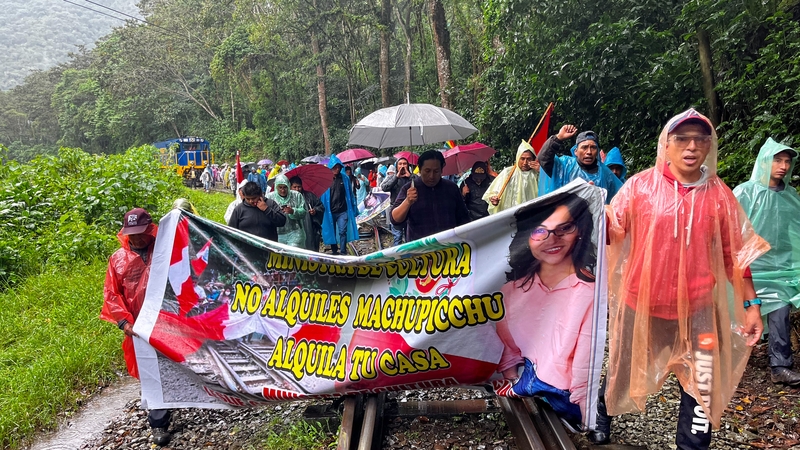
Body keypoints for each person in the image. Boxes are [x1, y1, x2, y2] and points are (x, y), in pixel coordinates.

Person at [600, 109, 768, 449]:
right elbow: (612, 231)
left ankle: (693, 445)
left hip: (699, 312)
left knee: (703, 382)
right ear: (666, 143)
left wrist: (752, 305)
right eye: (682, 139)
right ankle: (600, 416)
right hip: (641, 306)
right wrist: (591, 210)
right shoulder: (640, 187)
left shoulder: (719, 195)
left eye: (700, 139)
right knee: (623, 368)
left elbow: (736, 257)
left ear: (709, 145)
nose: (691, 146)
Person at [496, 193, 597, 427]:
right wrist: (512, 379)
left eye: (565, 228)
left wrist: (584, 410)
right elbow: (507, 352)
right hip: (522, 382)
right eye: (539, 230)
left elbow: (585, 363)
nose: (552, 239)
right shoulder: (511, 291)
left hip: (565, 394)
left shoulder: (589, 292)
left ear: (580, 231)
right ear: (526, 238)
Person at [100, 208, 172, 446]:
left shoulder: (166, 251)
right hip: (139, 327)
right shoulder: (118, 259)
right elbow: (112, 294)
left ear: (150, 229)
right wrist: (124, 322)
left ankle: (177, 401)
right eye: (133, 233)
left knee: (174, 365)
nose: (137, 238)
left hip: (167, 321)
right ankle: (159, 423)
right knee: (150, 371)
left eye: (141, 232)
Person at [733, 138, 800, 386]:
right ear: (764, 161)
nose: (783, 166)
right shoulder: (745, 192)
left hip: (781, 269)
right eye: (777, 160)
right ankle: (729, 359)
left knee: (780, 310)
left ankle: (780, 365)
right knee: (735, 311)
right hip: (750, 267)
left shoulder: (790, 196)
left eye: (787, 161)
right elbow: (732, 229)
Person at [390, 150, 470, 241]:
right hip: (420, 247)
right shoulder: (409, 189)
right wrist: (407, 201)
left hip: (450, 244)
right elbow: (394, 219)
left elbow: (464, 218)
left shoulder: (451, 188)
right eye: (427, 171)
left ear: (442, 169)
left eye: (436, 171)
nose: (431, 176)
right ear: (420, 169)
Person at [538, 126, 623, 203]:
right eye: (584, 147)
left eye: (593, 148)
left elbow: (620, 198)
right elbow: (544, 159)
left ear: (597, 151)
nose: (589, 152)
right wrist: (558, 138)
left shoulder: (605, 173)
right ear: (576, 151)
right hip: (568, 214)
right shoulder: (565, 165)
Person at [482, 141, 540, 215]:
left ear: (533, 159)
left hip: (531, 215)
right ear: (518, 158)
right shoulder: (508, 173)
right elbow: (493, 193)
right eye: (522, 159)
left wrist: (542, 171)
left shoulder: (537, 174)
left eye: (528, 159)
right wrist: (493, 199)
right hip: (509, 215)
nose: (525, 163)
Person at [320, 154, 358, 255]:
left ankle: (343, 251)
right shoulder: (326, 180)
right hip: (330, 211)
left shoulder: (345, 179)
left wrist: (354, 208)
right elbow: (322, 195)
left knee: (342, 231)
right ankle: (334, 250)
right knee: (332, 231)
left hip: (342, 211)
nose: (337, 169)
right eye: (335, 167)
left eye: (338, 167)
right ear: (331, 167)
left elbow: (350, 194)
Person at [266, 174, 307, 248]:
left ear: (288, 186)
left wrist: (293, 211)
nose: (283, 190)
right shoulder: (269, 197)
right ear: (276, 187)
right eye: (280, 187)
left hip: (295, 231)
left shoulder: (297, 195)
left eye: (285, 187)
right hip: (277, 233)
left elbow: (304, 212)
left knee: (293, 252)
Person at [381, 158, 413, 245]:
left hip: (410, 210)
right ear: (396, 166)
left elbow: (419, 185)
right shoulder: (393, 177)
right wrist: (396, 177)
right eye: (400, 164)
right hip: (396, 210)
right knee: (398, 237)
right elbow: (384, 187)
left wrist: (410, 176)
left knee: (409, 237)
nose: (402, 166)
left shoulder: (412, 177)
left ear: (408, 166)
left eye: (404, 164)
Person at [290, 176, 325, 252]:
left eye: (299, 187)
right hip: (293, 229)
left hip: (309, 228)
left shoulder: (310, 196)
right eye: (294, 187)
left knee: (310, 248)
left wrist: (315, 211)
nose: (297, 189)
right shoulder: (288, 199)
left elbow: (320, 206)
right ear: (290, 187)